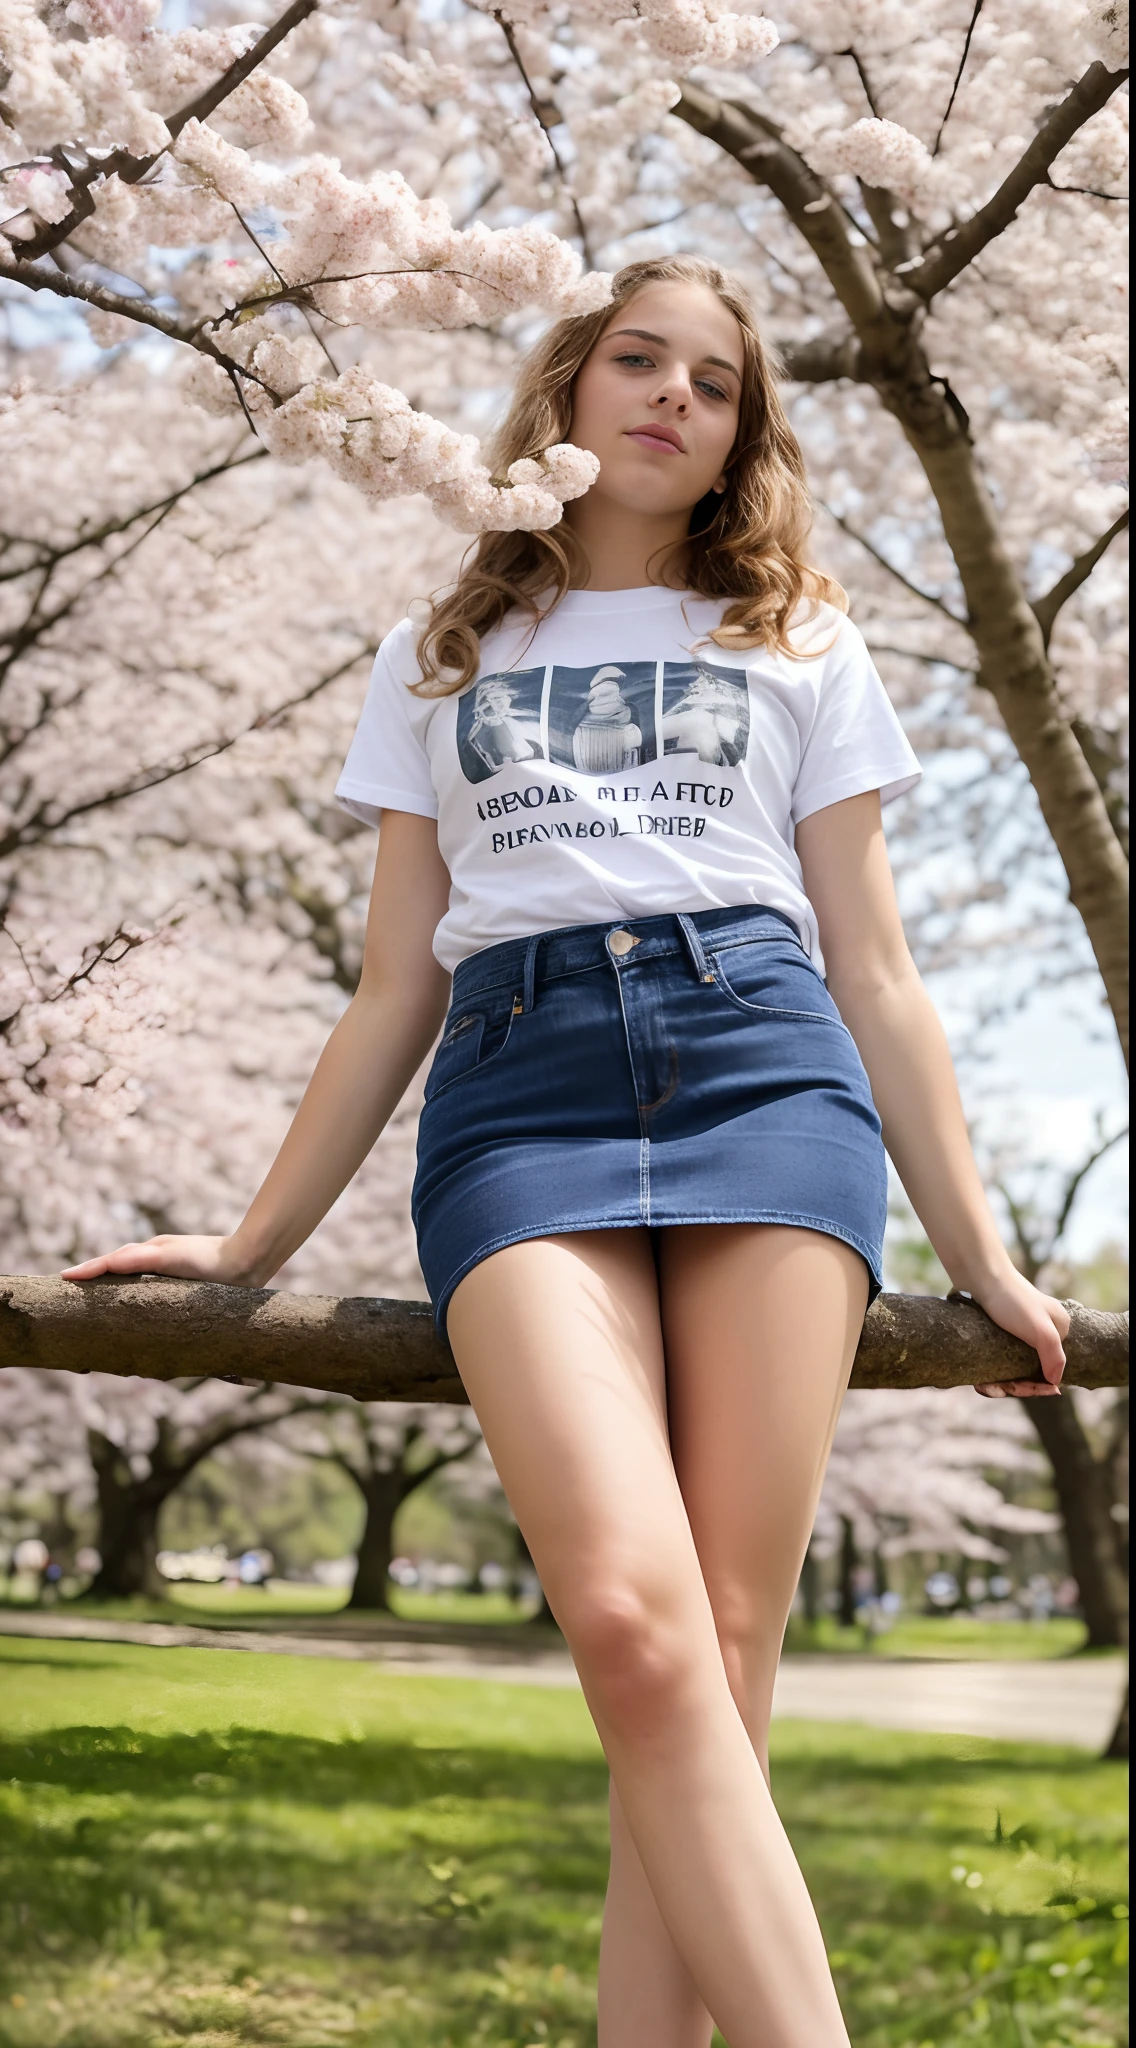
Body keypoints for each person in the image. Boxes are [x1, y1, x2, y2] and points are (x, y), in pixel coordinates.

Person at [62, 253, 1069, 2048]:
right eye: (637, 359)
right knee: (628, 1622)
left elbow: (880, 968)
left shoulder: (800, 637)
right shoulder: (436, 653)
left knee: (725, 1657)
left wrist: (976, 1251)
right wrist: (248, 1245)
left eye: (717, 382)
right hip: (517, 1094)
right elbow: (389, 991)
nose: (674, 396)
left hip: (765, 1062)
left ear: (743, 433)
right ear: (566, 385)